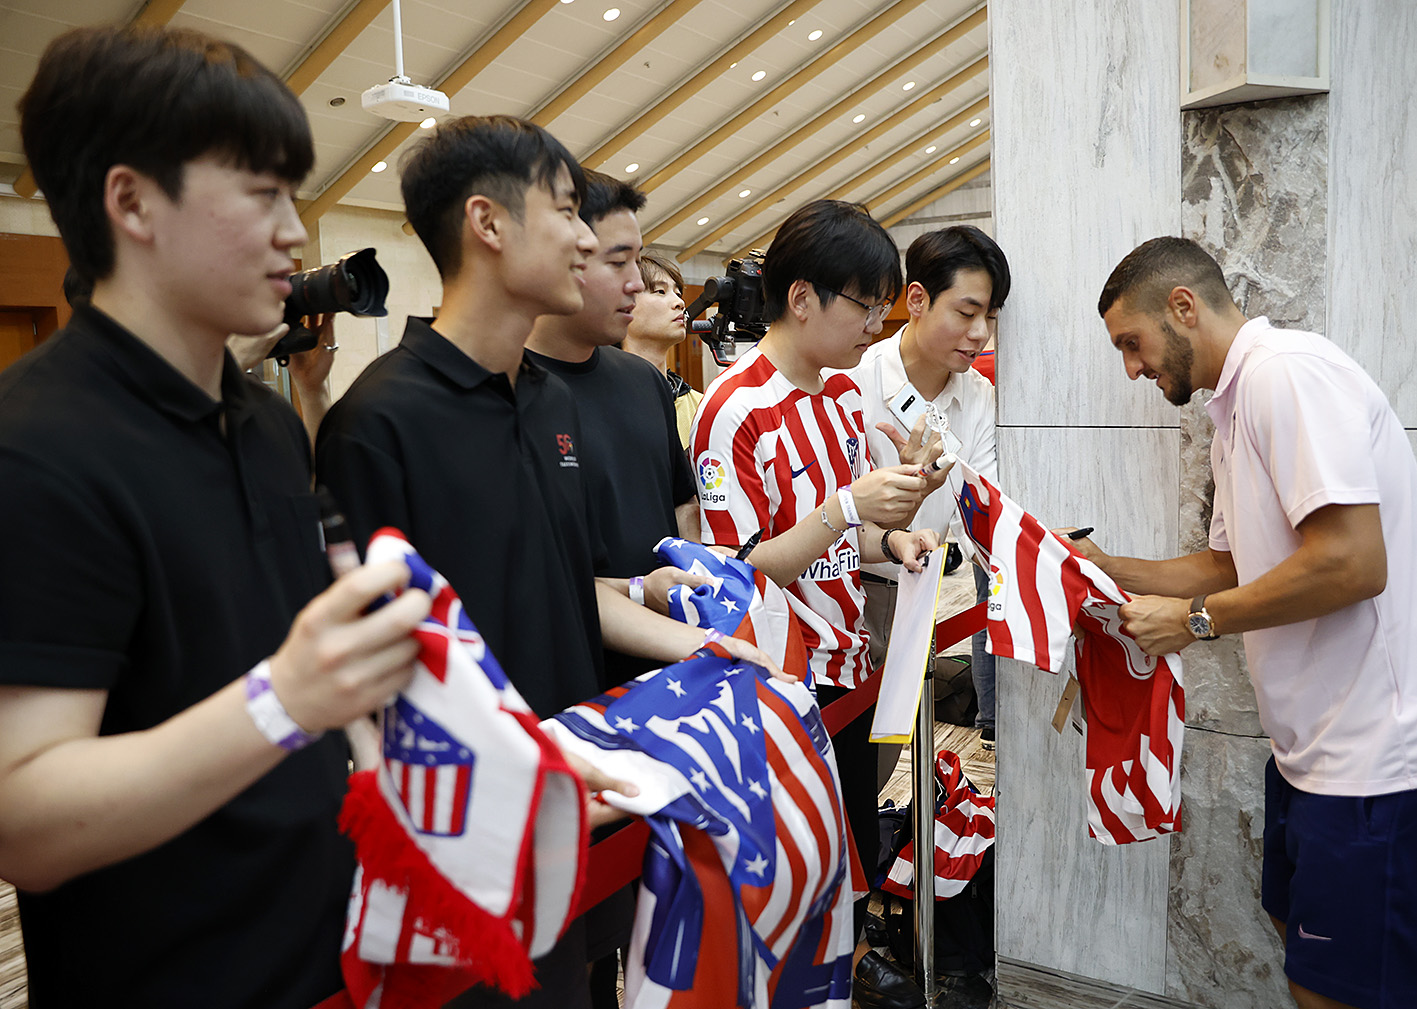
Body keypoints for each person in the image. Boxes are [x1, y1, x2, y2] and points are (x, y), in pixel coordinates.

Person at [0, 25, 433, 1007]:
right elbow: (24, 819)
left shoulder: (266, 421)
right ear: (132, 200)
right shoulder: (38, 450)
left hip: (331, 955)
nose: (295, 232)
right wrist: (288, 694)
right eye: (262, 193)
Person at [315, 115, 782, 1008]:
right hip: (465, 840)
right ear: (488, 224)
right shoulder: (380, 422)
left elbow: (579, 586)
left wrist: (700, 647)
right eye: (566, 212)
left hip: (584, 786)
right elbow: (373, 677)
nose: (582, 238)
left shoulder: (551, 398)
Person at [1078, 236, 1417, 1009]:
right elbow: (1229, 564)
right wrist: (1104, 565)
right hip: (1305, 751)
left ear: (1183, 307)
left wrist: (1194, 623)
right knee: (1292, 930)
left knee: (1331, 987)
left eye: (1130, 343)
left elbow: (1352, 561)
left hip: (1369, 761)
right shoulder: (1236, 404)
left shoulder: (1285, 375)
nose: (1131, 367)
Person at [692, 198, 947, 1004]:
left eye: (881, 305)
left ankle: (843, 957)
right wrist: (846, 508)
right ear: (801, 298)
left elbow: (848, 540)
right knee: (792, 857)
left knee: (849, 838)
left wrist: (891, 537)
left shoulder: (841, 398)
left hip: (848, 660)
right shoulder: (733, 408)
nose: (875, 324)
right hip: (780, 675)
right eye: (864, 304)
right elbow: (742, 566)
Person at [848, 225, 1010, 747]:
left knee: (886, 757)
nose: (981, 332)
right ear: (916, 300)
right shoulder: (853, 380)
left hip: (920, 600)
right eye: (966, 313)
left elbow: (983, 501)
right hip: (846, 598)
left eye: (989, 316)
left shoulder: (978, 396)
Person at [622, 250, 702, 450]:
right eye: (660, 291)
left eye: (678, 292)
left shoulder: (701, 405)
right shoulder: (603, 400)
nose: (679, 303)